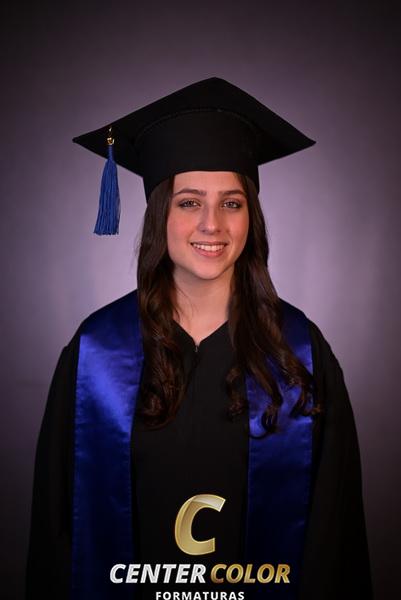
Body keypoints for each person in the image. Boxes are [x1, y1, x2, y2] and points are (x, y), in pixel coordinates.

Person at [25, 78, 373, 600]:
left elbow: (334, 537)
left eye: (232, 203)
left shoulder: (299, 351)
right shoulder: (97, 354)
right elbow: (57, 534)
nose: (212, 224)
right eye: (189, 202)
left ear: (251, 217)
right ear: (160, 215)